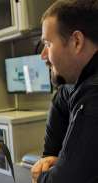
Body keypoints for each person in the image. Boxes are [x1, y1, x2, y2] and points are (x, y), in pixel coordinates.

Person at [31, 0, 98, 182]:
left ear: (76, 41)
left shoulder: (93, 97)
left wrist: (42, 175)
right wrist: (51, 162)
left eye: (48, 43)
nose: (43, 55)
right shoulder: (78, 88)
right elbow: (62, 94)